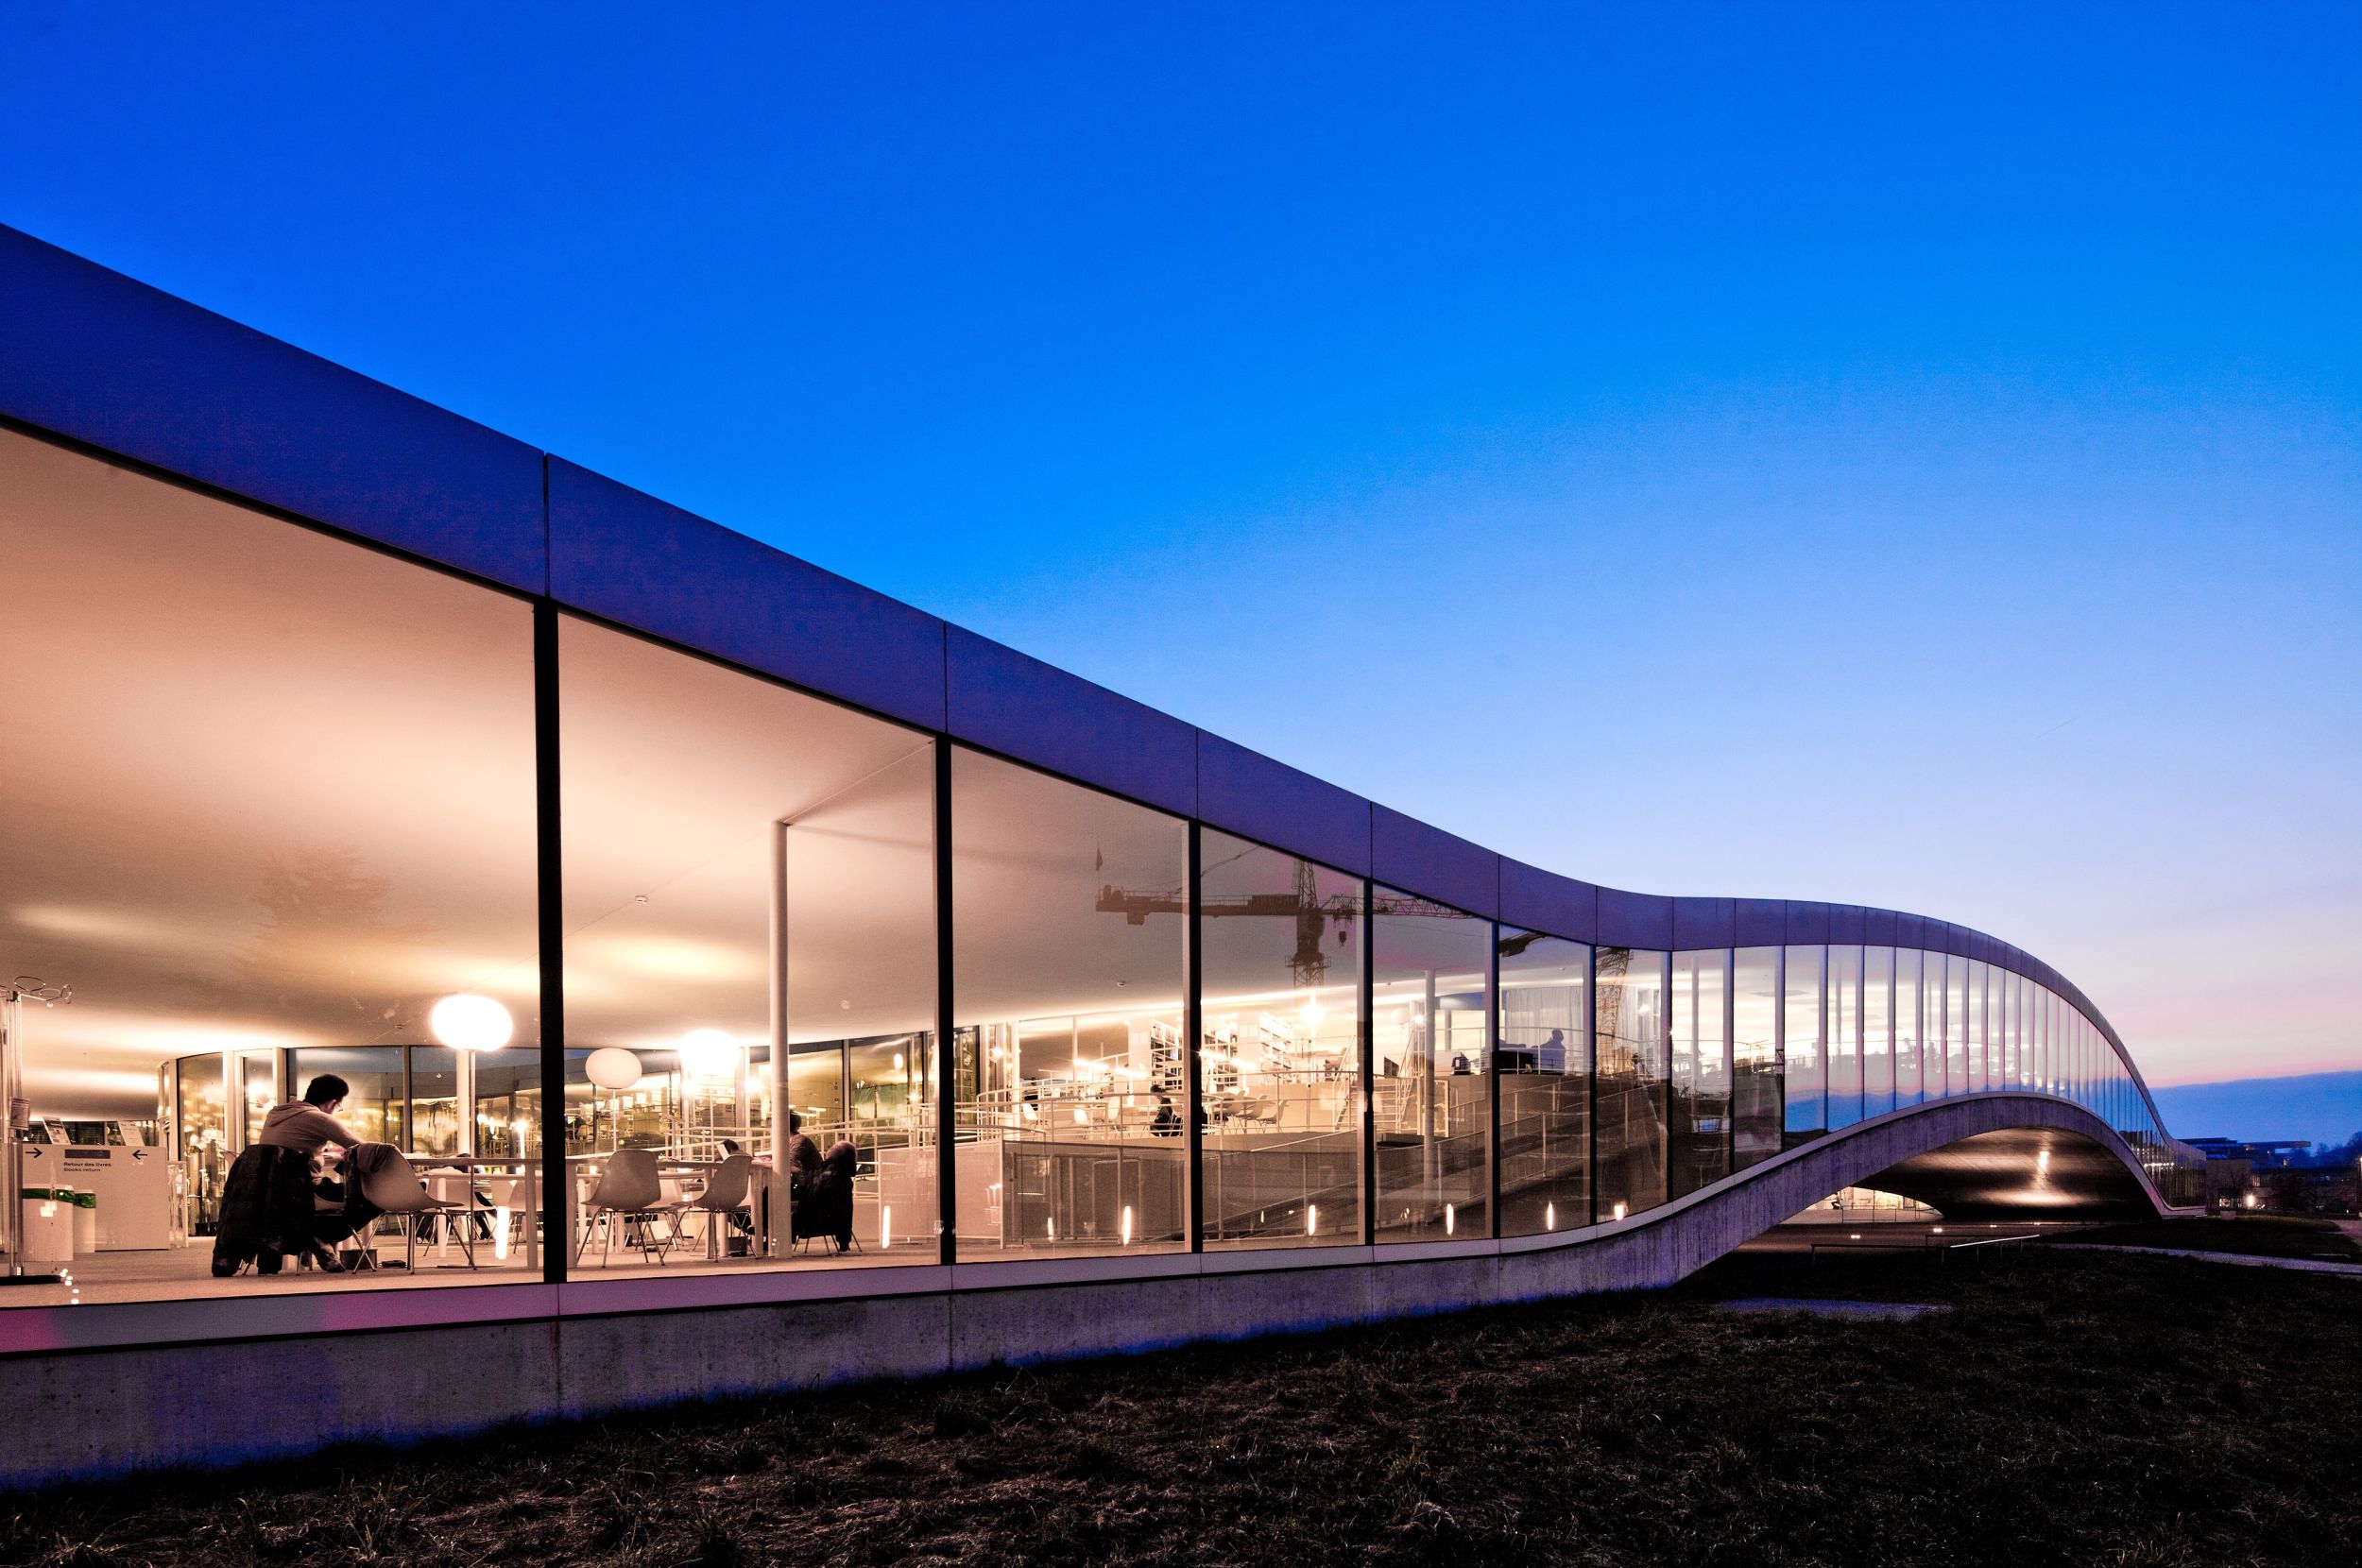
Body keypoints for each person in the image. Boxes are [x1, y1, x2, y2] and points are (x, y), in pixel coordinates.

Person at [255, 1075, 362, 1157]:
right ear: (332, 1103)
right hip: (300, 1183)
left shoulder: (276, 1113)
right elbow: (365, 1148)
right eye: (338, 1106)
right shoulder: (321, 1119)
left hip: (266, 1182)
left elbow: (286, 1149)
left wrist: (327, 1151)